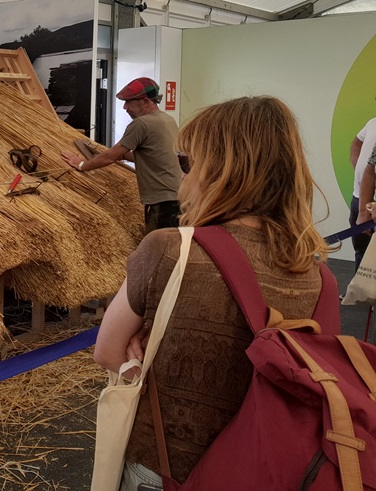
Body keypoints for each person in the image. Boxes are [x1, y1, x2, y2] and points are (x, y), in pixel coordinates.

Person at [92, 96, 331, 490]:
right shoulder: (319, 276)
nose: (182, 175)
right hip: (269, 472)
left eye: (188, 162)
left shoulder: (170, 249)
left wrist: (152, 339)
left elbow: (108, 352)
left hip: (167, 468)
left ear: (221, 170)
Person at [60, 77, 182, 235]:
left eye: (129, 102)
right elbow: (151, 155)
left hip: (162, 201)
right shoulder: (167, 119)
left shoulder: (141, 124)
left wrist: (82, 164)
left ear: (145, 101)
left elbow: (110, 157)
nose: (125, 107)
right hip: (177, 197)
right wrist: (122, 156)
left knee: (157, 250)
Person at [348, 117, 376, 270]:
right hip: (362, 199)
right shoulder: (372, 122)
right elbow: (370, 170)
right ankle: (358, 292)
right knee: (362, 250)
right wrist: (364, 211)